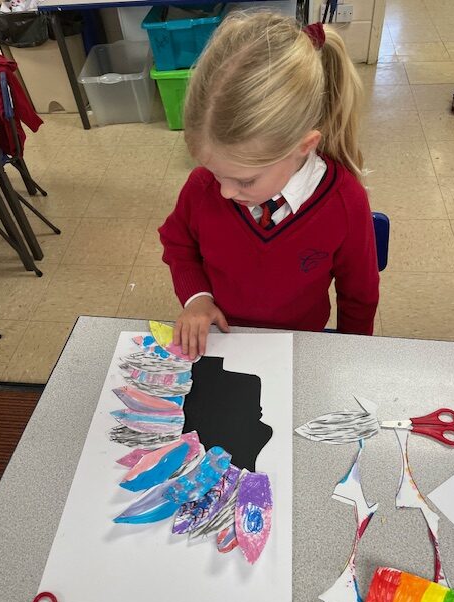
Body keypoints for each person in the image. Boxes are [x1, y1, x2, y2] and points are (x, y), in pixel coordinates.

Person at [159, 13, 379, 359]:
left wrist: (352, 357)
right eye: (215, 172)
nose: (226, 192)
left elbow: (359, 295)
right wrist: (197, 297)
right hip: (223, 340)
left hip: (300, 348)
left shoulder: (344, 200)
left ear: (303, 146)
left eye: (245, 180)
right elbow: (178, 243)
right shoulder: (202, 188)